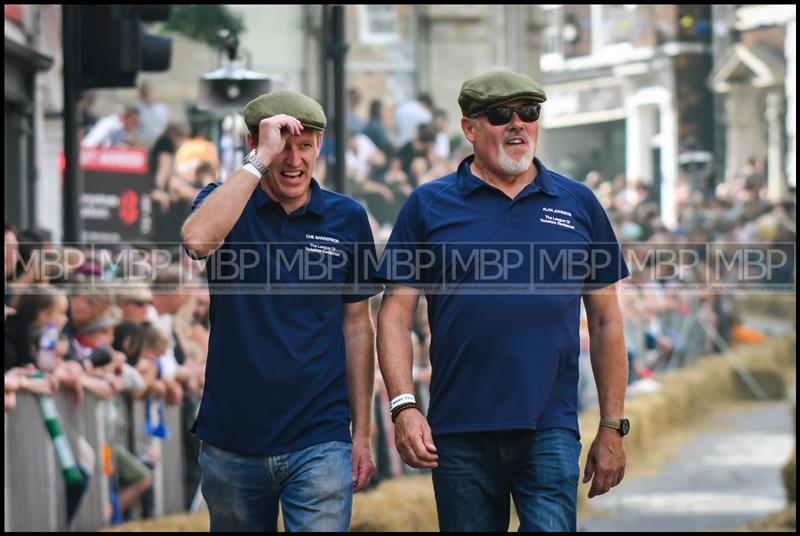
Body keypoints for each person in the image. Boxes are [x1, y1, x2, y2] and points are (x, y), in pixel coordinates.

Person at [375, 70, 631, 532]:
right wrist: (403, 405)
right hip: (458, 429)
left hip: (549, 425)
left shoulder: (578, 203)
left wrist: (613, 425)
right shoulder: (428, 205)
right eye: (500, 115)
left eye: (528, 113)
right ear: (469, 128)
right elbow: (394, 312)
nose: (517, 124)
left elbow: (608, 321)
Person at [181, 89, 379, 531]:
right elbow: (196, 241)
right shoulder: (225, 202)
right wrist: (257, 162)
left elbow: (358, 328)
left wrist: (362, 433)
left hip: (320, 437)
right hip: (231, 438)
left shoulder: (347, 218)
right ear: (256, 142)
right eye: (281, 145)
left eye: (304, 145)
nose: (293, 160)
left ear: (320, 147)